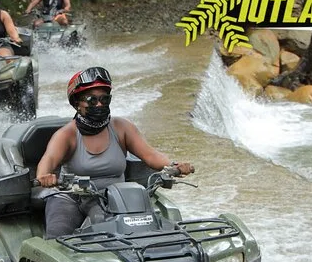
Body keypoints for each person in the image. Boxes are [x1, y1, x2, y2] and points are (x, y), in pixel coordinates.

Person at [35, 66, 194, 239]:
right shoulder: (67, 135)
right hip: (71, 197)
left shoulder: (121, 128)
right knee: (57, 239)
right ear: (77, 103)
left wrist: (173, 165)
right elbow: (49, 159)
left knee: (145, 237)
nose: (99, 104)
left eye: (104, 99)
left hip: (116, 199)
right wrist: (44, 176)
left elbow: (150, 155)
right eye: (92, 100)